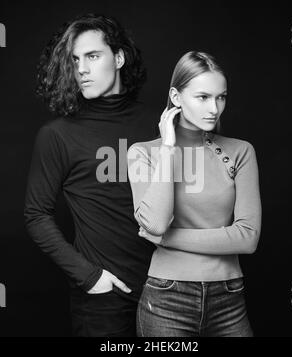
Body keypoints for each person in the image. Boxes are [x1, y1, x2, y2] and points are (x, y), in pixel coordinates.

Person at [24, 13, 156, 337]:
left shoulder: (160, 125)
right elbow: (35, 215)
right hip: (103, 301)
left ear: (119, 57)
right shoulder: (57, 135)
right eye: (75, 59)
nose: (81, 69)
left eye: (93, 56)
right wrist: (89, 276)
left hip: (167, 293)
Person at [127, 51, 262, 337]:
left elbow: (248, 237)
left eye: (221, 97)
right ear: (176, 97)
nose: (214, 108)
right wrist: (167, 147)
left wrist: (167, 239)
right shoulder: (143, 153)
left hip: (230, 297)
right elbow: (156, 223)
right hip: (166, 300)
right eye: (202, 97)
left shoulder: (240, 151)